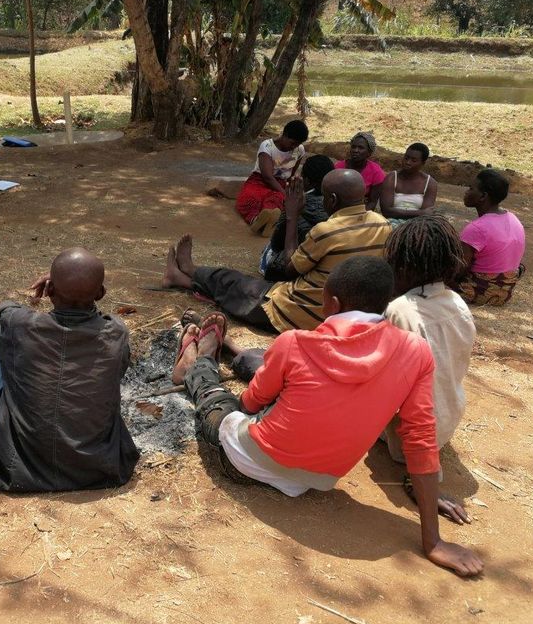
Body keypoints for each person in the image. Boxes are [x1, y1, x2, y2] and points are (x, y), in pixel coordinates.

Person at [174, 256, 484, 577]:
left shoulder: (294, 342)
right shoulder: (416, 351)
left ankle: (197, 365)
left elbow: (251, 405)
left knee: (217, 403)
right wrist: (433, 542)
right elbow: (420, 439)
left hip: (249, 461)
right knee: (280, 379)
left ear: (332, 304)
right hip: (317, 480)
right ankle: (226, 355)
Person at [0, 248, 140, 492]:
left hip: (19, 470)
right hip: (99, 470)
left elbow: (4, 310)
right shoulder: (116, 333)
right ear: (101, 294)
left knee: (4, 344)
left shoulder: (20, 325)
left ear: (50, 291)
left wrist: (52, 288)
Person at [163, 169, 391, 333]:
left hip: (295, 312)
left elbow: (289, 268)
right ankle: (182, 277)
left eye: (323, 196)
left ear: (331, 199)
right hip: (341, 313)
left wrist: (292, 214)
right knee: (235, 287)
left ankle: (190, 270)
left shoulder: (327, 231)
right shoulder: (382, 224)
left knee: (230, 281)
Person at [383, 216, 476, 521]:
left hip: (407, 442)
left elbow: (388, 382)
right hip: (447, 422)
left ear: (404, 267)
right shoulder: (458, 304)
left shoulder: (400, 310)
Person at [453, 169, 526, 306]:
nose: (466, 192)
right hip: (504, 293)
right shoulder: (513, 218)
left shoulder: (476, 228)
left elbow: (460, 269)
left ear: (483, 196)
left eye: (470, 188)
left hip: (478, 293)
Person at [259, 153, 334, 282]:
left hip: (296, 264)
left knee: (271, 249)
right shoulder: (336, 204)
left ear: (307, 181)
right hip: (327, 267)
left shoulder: (295, 202)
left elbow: (278, 242)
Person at [235, 119, 309, 236]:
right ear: (284, 135)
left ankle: (269, 218)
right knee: (249, 197)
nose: (294, 146)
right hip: (259, 180)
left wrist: (287, 191)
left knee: (277, 198)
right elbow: (267, 176)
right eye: (292, 143)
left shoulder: (299, 150)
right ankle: (256, 220)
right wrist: (285, 193)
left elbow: (291, 174)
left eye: (297, 144)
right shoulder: (267, 146)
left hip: (281, 183)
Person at [379, 142, 438, 226]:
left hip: (417, 226)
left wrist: (420, 214)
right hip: (391, 223)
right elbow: (386, 211)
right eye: (406, 158)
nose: (408, 162)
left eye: (414, 160)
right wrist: (419, 213)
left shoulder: (430, 183)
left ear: (423, 163)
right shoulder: (392, 178)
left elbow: (425, 216)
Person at [335, 131, 386, 210]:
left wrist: (358, 216)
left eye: (361, 148)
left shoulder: (376, 172)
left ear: (369, 153)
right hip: (338, 209)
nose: (356, 150)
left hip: (362, 211)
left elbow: (372, 202)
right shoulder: (338, 167)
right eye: (353, 147)